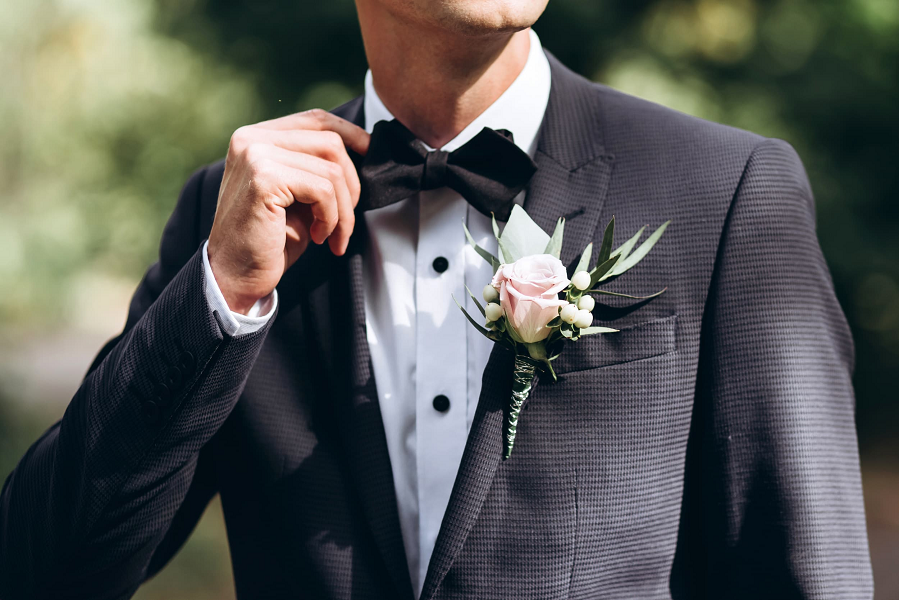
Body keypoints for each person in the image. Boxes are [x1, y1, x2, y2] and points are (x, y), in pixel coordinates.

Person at [0, 0, 873, 598]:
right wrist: (221, 291)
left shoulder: (721, 191)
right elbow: (48, 570)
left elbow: (807, 573)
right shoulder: (228, 218)